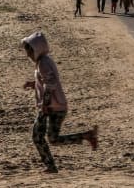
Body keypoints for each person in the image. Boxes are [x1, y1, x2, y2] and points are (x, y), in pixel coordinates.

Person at [21, 32, 98, 173]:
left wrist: (45, 103)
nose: (28, 55)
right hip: (58, 106)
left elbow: (50, 84)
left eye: (29, 51)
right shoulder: (44, 61)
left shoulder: (43, 63)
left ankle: (50, 166)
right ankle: (86, 136)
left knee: (37, 137)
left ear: (36, 49)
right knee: (53, 139)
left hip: (51, 107)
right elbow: (47, 80)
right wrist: (34, 83)